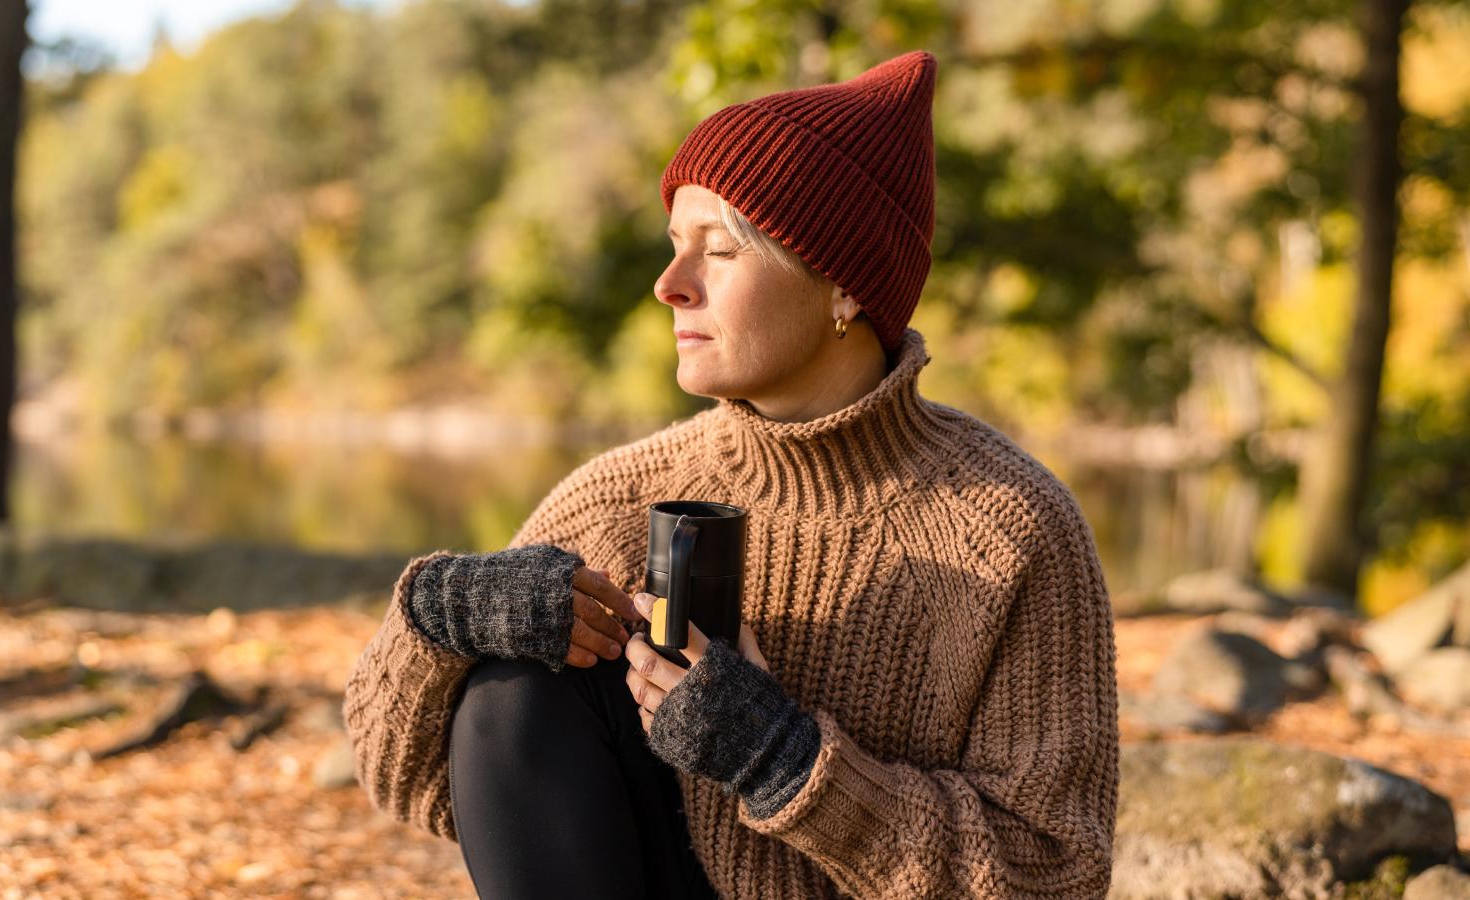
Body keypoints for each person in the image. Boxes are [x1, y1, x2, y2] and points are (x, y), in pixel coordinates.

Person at [343, 49, 1119, 899]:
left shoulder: (1012, 529)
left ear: (844, 290)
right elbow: (408, 779)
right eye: (676, 246)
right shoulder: (618, 497)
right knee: (510, 689)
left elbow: (1053, 875)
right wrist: (435, 619)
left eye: (718, 250)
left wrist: (784, 762)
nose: (669, 285)